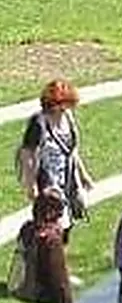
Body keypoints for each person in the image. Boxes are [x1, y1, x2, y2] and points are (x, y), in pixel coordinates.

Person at [16, 80, 94, 235]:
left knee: (69, 220)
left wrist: (84, 175)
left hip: (69, 179)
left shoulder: (68, 118)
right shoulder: (38, 123)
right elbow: (27, 155)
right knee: (52, 226)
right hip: (48, 182)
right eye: (66, 104)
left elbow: (72, 150)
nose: (68, 108)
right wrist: (31, 185)